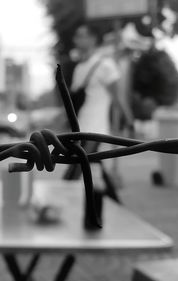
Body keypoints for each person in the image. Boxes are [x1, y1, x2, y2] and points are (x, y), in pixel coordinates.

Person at [63, 23, 133, 203]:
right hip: (80, 128)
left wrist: (129, 121)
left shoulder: (105, 65)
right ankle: (116, 202)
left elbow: (118, 97)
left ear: (93, 38)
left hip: (95, 130)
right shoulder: (79, 68)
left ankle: (59, 201)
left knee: (76, 169)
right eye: (77, 36)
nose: (78, 39)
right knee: (95, 164)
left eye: (82, 35)